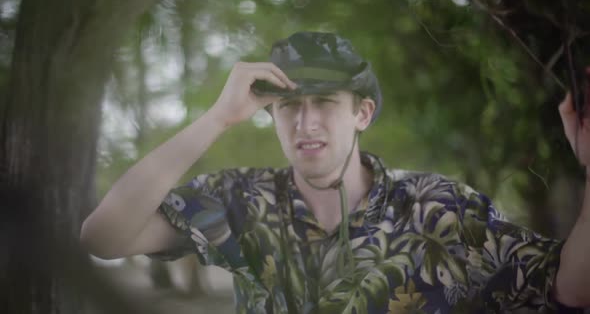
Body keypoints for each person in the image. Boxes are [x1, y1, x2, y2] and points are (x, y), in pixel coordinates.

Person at [81, 31, 590, 313]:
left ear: (362, 113)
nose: (305, 122)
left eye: (324, 102)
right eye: (287, 107)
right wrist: (217, 117)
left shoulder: (439, 208)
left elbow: (570, 289)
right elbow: (104, 236)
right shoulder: (241, 201)